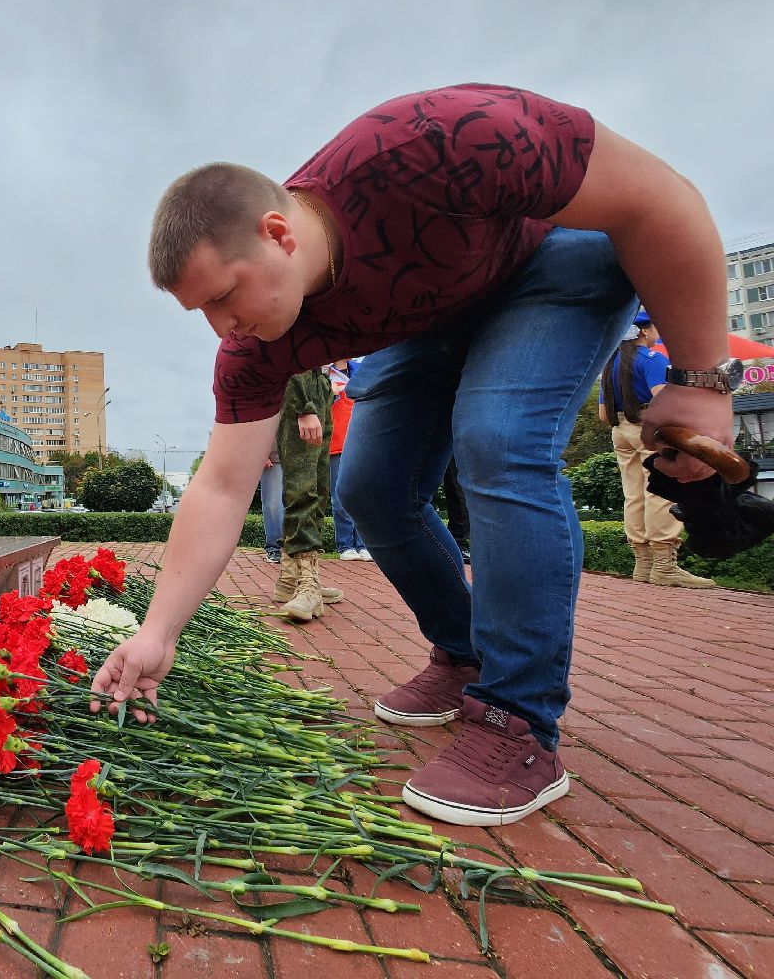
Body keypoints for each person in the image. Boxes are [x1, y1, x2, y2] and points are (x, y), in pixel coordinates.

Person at [89, 83, 734, 828]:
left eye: (225, 296)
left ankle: (518, 721)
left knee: (499, 436)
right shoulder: (254, 344)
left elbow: (661, 200)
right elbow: (222, 486)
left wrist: (700, 378)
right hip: (431, 314)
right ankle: (464, 657)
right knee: (368, 486)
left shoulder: (431, 144)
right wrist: (156, 632)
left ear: (279, 233)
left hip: (549, 263)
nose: (221, 328)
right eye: (200, 311)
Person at [599, 312, 715, 588]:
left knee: (634, 494)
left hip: (621, 430)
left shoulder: (610, 365)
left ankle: (643, 563)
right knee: (660, 492)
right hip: (649, 428)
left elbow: (603, 415)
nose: (655, 335)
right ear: (642, 331)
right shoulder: (651, 360)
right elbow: (663, 399)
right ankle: (664, 566)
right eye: (653, 329)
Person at [273, 369, 344, 621]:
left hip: (320, 384)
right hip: (301, 380)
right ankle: (306, 583)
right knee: (301, 488)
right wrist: (304, 405)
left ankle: (291, 578)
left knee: (319, 489)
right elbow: (289, 341)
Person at [327, 359, 371, 561]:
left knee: (362, 495)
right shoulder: (325, 372)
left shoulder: (361, 370)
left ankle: (364, 544)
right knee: (339, 498)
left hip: (361, 441)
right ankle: (345, 545)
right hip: (335, 443)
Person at [258, 444, 282, 563]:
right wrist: (261, 454)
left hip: (298, 457)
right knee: (274, 504)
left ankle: (298, 549)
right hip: (273, 456)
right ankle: (275, 548)